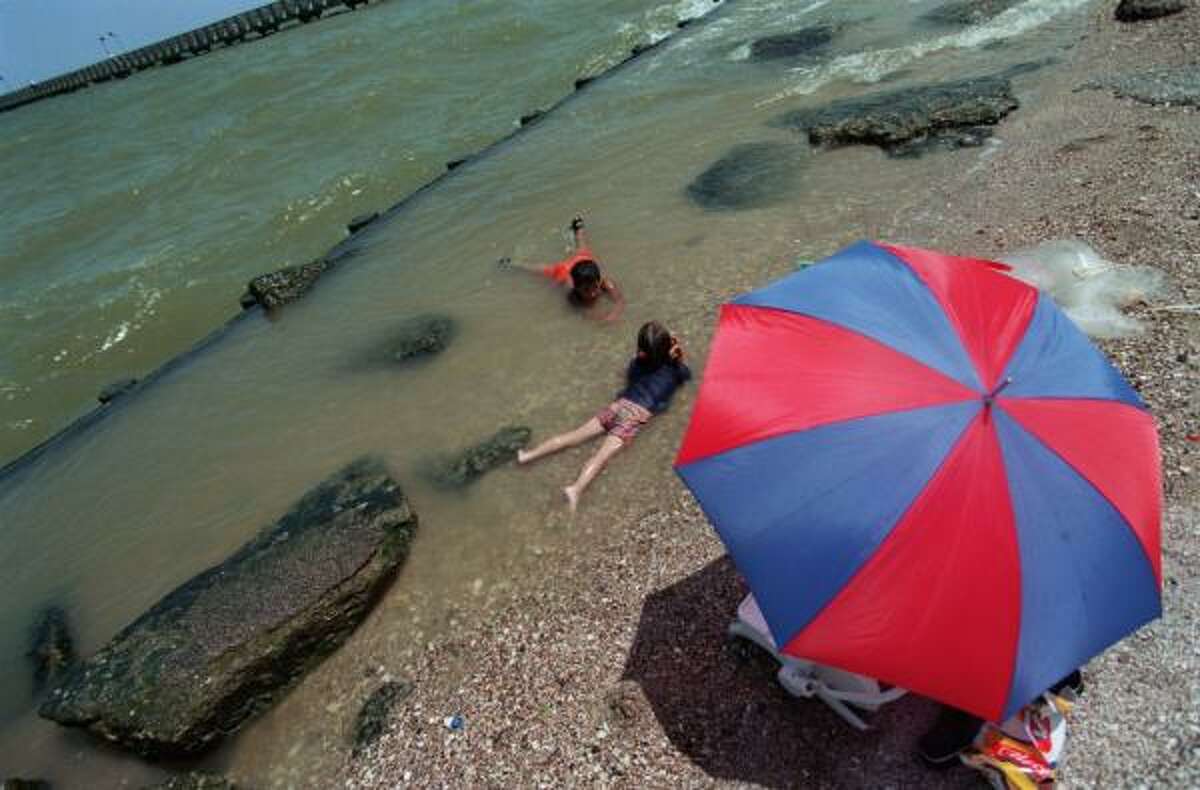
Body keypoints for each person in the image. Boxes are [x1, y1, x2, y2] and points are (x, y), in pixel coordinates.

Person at [518, 321, 690, 511]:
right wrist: (678, 359)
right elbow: (685, 377)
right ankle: (575, 489)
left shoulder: (637, 364)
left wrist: (644, 357)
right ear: (670, 347)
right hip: (636, 415)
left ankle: (528, 455)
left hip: (618, 406)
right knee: (600, 457)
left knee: (574, 436)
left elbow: (633, 373)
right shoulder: (675, 371)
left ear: (641, 350)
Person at [499, 215, 624, 321]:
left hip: (584, 260)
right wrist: (601, 319)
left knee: (582, 246)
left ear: (599, 281)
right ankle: (513, 263)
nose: (592, 293)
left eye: (594, 288)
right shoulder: (573, 296)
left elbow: (619, 301)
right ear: (576, 288)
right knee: (538, 269)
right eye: (586, 290)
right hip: (564, 271)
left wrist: (614, 314)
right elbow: (584, 313)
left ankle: (578, 227)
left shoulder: (606, 284)